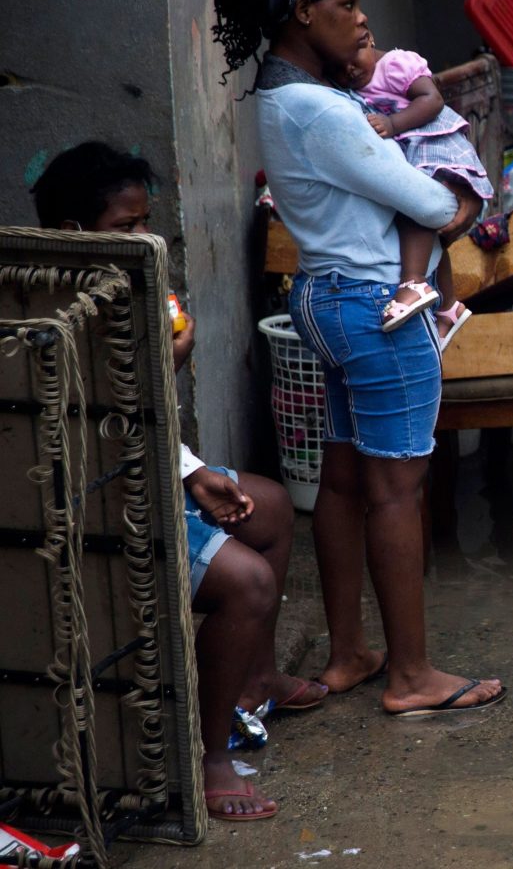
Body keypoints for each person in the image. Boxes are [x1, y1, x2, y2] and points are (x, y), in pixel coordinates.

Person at [212, 0, 505, 721]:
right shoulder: (329, 113)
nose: (363, 16)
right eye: (348, 1)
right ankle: (411, 676)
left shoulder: (280, 92)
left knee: (341, 480)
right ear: (305, 11)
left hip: (323, 299)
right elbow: (434, 202)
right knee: (398, 487)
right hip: (379, 307)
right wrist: (445, 180)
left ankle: (350, 652)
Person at [32, 142, 322, 823]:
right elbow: (106, 432)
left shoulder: (134, 293)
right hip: (102, 504)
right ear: (74, 234)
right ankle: (209, 753)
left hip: (149, 472)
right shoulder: (61, 314)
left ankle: (256, 680)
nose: (144, 239)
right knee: (247, 580)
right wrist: (165, 371)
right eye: (125, 228)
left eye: (144, 222)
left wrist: (191, 471)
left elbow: (149, 430)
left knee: (272, 506)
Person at [345, 36, 492, 347]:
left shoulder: (394, 65)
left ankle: (414, 282)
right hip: (411, 146)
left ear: (369, 39)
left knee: (415, 205)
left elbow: (432, 99)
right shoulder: (349, 83)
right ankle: (450, 306)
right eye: (339, 63)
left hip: (433, 142)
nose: (349, 67)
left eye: (354, 54)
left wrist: (393, 123)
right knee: (431, 239)